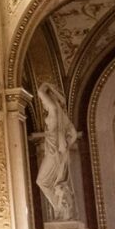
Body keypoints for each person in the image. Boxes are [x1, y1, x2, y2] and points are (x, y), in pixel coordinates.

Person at [37, 82, 78, 221]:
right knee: (54, 183)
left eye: (44, 101)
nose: (43, 103)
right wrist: (66, 146)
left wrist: (46, 84)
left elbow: (40, 92)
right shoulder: (62, 117)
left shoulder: (54, 111)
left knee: (42, 181)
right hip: (57, 153)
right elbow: (73, 134)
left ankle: (60, 207)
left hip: (53, 153)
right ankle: (61, 207)